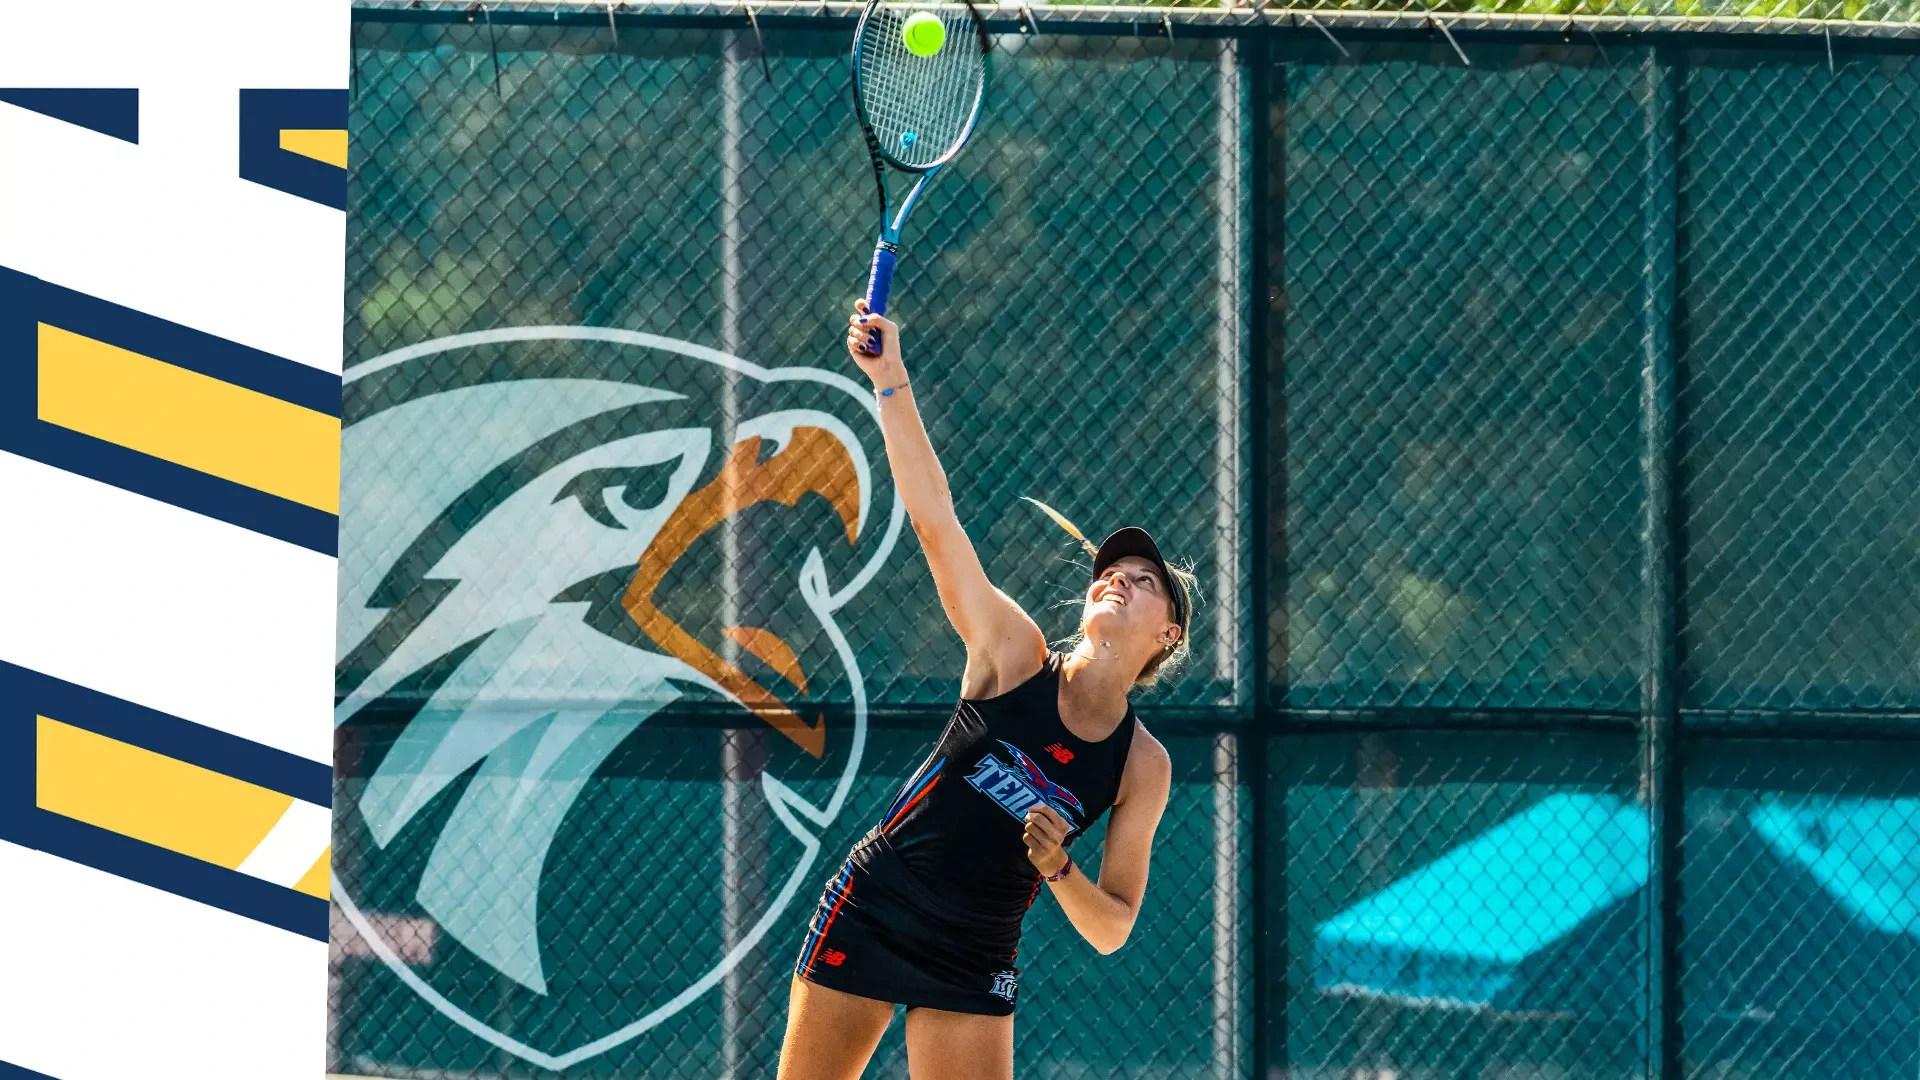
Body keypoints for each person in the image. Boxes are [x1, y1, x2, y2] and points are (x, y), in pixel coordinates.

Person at [774, 300, 1194, 1080]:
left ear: (1168, 634)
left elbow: (1112, 929)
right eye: (1111, 573)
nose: (1118, 581)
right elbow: (936, 519)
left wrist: (1059, 866)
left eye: (1144, 583)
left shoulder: (1143, 765)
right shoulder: (1013, 655)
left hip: (975, 949)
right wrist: (888, 377)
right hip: (877, 906)